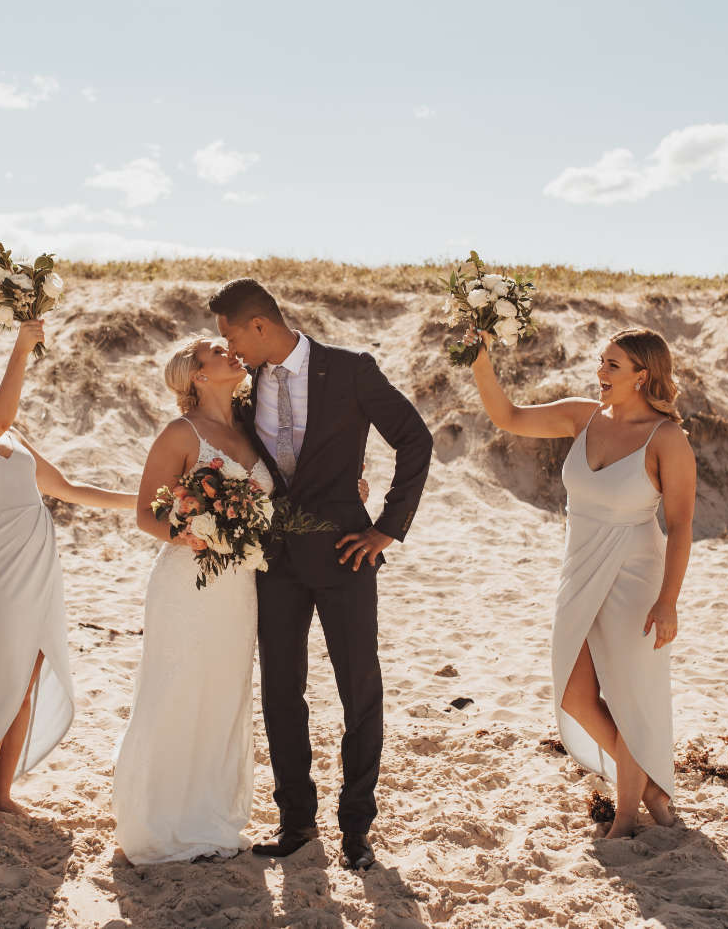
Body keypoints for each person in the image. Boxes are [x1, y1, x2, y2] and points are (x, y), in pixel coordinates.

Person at [210, 278, 433, 872]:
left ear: (259, 325)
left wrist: (387, 526)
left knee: (359, 690)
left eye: (230, 334)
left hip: (346, 555)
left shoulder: (351, 370)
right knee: (282, 691)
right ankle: (296, 822)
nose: (227, 349)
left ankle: (357, 827)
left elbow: (414, 438)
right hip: (274, 562)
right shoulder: (242, 386)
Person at [463, 325, 695, 837]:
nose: (600, 372)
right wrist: (482, 362)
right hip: (580, 566)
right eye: (602, 361)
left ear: (643, 375)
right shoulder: (582, 416)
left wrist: (669, 600)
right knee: (573, 691)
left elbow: (680, 526)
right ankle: (651, 786)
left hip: (636, 574)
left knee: (631, 694)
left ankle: (627, 815)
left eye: (613, 366)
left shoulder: (668, 439)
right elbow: (509, 417)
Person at [0, 320, 135, 824]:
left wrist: (149, 504)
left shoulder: (8, 436)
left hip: (39, 571)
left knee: (26, 679)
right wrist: (21, 346)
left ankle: (2, 793)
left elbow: (69, 487)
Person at [113, 336, 267, 864]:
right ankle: (158, 821)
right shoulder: (181, 433)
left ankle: (211, 816)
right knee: (177, 688)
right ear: (198, 375)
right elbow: (144, 514)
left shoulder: (250, 429)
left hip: (239, 587)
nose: (231, 352)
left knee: (224, 693)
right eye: (216, 351)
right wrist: (192, 531)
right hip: (187, 582)